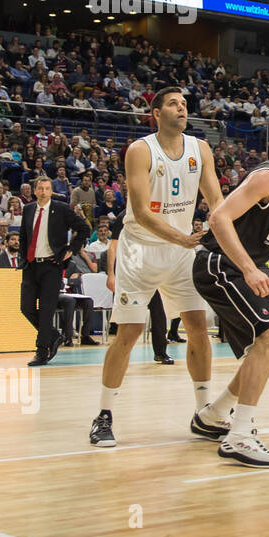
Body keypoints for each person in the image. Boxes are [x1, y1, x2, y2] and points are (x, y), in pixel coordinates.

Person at [89, 88, 225, 448]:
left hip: (181, 251)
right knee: (129, 334)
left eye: (184, 104)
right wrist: (182, 238)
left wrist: (220, 227)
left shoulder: (201, 149)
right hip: (141, 251)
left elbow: (216, 200)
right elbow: (143, 212)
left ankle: (204, 412)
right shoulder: (140, 150)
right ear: (156, 112)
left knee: (198, 327)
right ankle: (104, 415)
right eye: (173, 104)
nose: (181, 108)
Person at [191, 118, 269, 468]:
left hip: (237, 267)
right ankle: (239, 437)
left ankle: (214, 414)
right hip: (218, 265)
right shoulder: (268, 176)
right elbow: (218, 219)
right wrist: (249, 269)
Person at [21, 175, 90, 366]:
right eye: (40, 188)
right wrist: (22, 258)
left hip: (51, 266)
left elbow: (83, 228)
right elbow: (23, 237)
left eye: (47, 189)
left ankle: (42, 351)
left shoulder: (61, 209)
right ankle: (53, 334)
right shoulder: (27, 210)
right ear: (34, 191)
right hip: (31, 265)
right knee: (25, 307)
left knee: (46, 310)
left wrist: (71, 250)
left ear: (51, 191)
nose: (43, 192)